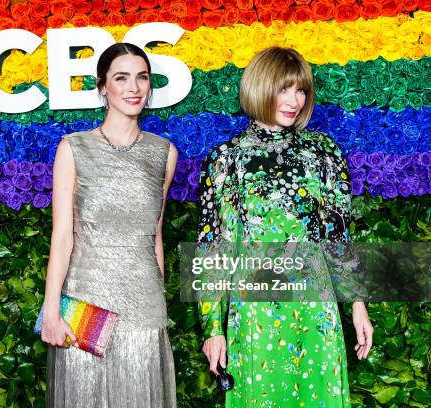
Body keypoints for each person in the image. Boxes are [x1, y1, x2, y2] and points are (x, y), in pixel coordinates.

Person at [197, 47, 374, 407]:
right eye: (283, 89)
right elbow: (213, 247)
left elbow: (338, 235)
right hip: (254, 307)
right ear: (259, 89)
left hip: (315, 306)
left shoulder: (323, 151)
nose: (294, 100)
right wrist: (213, 328)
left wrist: (358, 305)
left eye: (301, 90)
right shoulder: (227, 159)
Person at [41, 42, 178, 407]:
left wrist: (158, 301)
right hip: (87, 302)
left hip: (144, 304)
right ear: (103, 86)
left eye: (142, 77)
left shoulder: (164, 153)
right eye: (122, 78)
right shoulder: (74, 148)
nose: (133, 87)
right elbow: (62, 236)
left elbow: (155, 236)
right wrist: (50, 311)